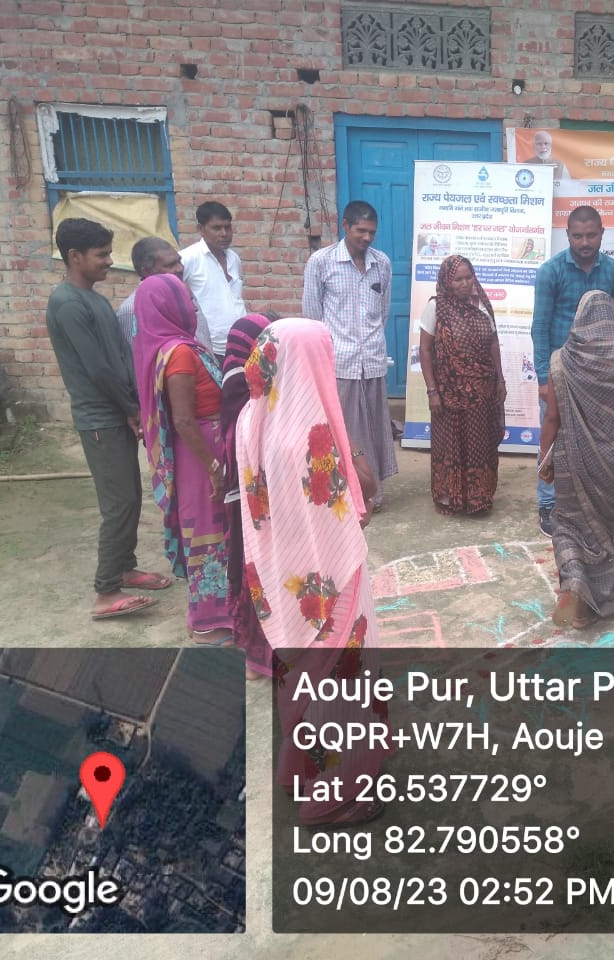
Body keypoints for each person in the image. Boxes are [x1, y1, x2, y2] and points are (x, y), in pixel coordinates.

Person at [235, 317, 387, 824]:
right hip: (329, 577)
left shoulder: (252, 419)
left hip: (284, 576)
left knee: (303, 675)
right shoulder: (309, 434)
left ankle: (300, 769)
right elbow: (346, 518)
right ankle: (335, 796)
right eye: (325, 357)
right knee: (343, 680)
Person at [45, 217, 172, 621]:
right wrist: (131, 409)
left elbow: (119, 358)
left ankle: (124, 568)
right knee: (118, 503)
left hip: (117, 411)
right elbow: (98, 368)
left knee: (131, 496)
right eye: (101, 255)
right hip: (100, 418)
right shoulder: (67, 303)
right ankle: (105, 591)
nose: (109, 261)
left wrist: (136, 405)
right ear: (74, 256)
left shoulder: (94, 299)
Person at [132, 273, 233, 642]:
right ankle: (208, 622)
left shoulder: (173, 347)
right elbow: (184, 420)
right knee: (207, 534)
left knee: (214, 532)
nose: (193, 306)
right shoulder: (179, 354)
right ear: (168, 307)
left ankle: (215, 613)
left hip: (202, 451)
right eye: (186, 300)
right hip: (200, 457)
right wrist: (214, 467)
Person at [539, 292, 614, 629]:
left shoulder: (563, 361)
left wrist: (544, 460)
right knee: (607, 529)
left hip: (572, 457)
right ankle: (600, 601)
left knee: (568, 523)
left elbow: (552, 417)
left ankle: (574, 585)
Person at [532, 205, 614, 536]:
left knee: (594, 440)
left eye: (591, 235)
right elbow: (540, 327)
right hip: (559, 371)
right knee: (553, 437)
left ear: (602, 233)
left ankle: (587, 502)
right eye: (577, 236)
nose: (585, 242)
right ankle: (547, 503)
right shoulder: (551, 272)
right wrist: (543, 378)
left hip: (597, 371)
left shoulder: (613, 271)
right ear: (568, 235)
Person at [302, 200, 397, 511]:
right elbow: (312, 316)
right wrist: (327, 355)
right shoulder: (321, 262)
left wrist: (370, 342)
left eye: (372, 232)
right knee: (346, 431)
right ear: (345, 226)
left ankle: (373, 491)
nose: (367, 238)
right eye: (361, 231)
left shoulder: (381, 263)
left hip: (372, 360)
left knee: (375, 429)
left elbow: (383, 312)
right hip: (339, 363)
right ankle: (348, 493)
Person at [419, 255, 505, 515]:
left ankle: (479, 497)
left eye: (469, 277)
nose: (465, 283)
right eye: (458, 279)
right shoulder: (436, 307)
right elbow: (425, 350)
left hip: (482, 392)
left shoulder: (482, 305)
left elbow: (493, 343)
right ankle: (449, 497)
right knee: (450, 444)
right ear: (447, 280)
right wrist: (432, 390)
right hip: (449, 393)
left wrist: (500, 379)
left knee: (480, 444)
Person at [218, 313, 274, 677]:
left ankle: (254, 655)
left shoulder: (238, 390)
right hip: (257, 499)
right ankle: (261, 656)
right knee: (265, 570)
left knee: (253, 568)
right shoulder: (253, 395)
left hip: (243, 497)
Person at [116, 237, 213, 352]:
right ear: (147, 271)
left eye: (179, 261)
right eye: (170, 265)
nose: (180, 268)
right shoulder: (131, 309)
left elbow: (203, 340)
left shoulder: (184, 293)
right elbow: (136, 357)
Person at [179, 201, 246, 359]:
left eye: (227, 227)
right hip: (209, 347)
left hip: (240, 343)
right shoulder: (187, 258)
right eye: (216, 228)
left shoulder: (233, 258)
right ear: (201, 229)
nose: (224, 233)